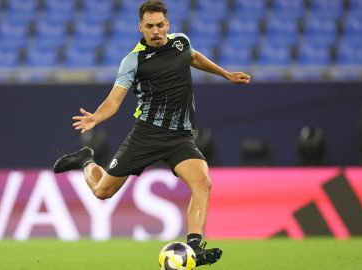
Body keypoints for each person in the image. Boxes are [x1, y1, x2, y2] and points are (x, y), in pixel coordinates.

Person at [53, 0, 250, 267]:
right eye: (150, 26)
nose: (156, 31)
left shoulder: (180, 42)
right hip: (146, 134)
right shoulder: (133, 60)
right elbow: (114, 101)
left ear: (167, 25)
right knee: (102, 192)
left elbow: (193, 56)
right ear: (141, 27)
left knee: (202, 182)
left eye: (160, 25)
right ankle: (85, 159)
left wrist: (225, 74)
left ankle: (194, 248)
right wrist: (95, 117)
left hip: (179, 137)